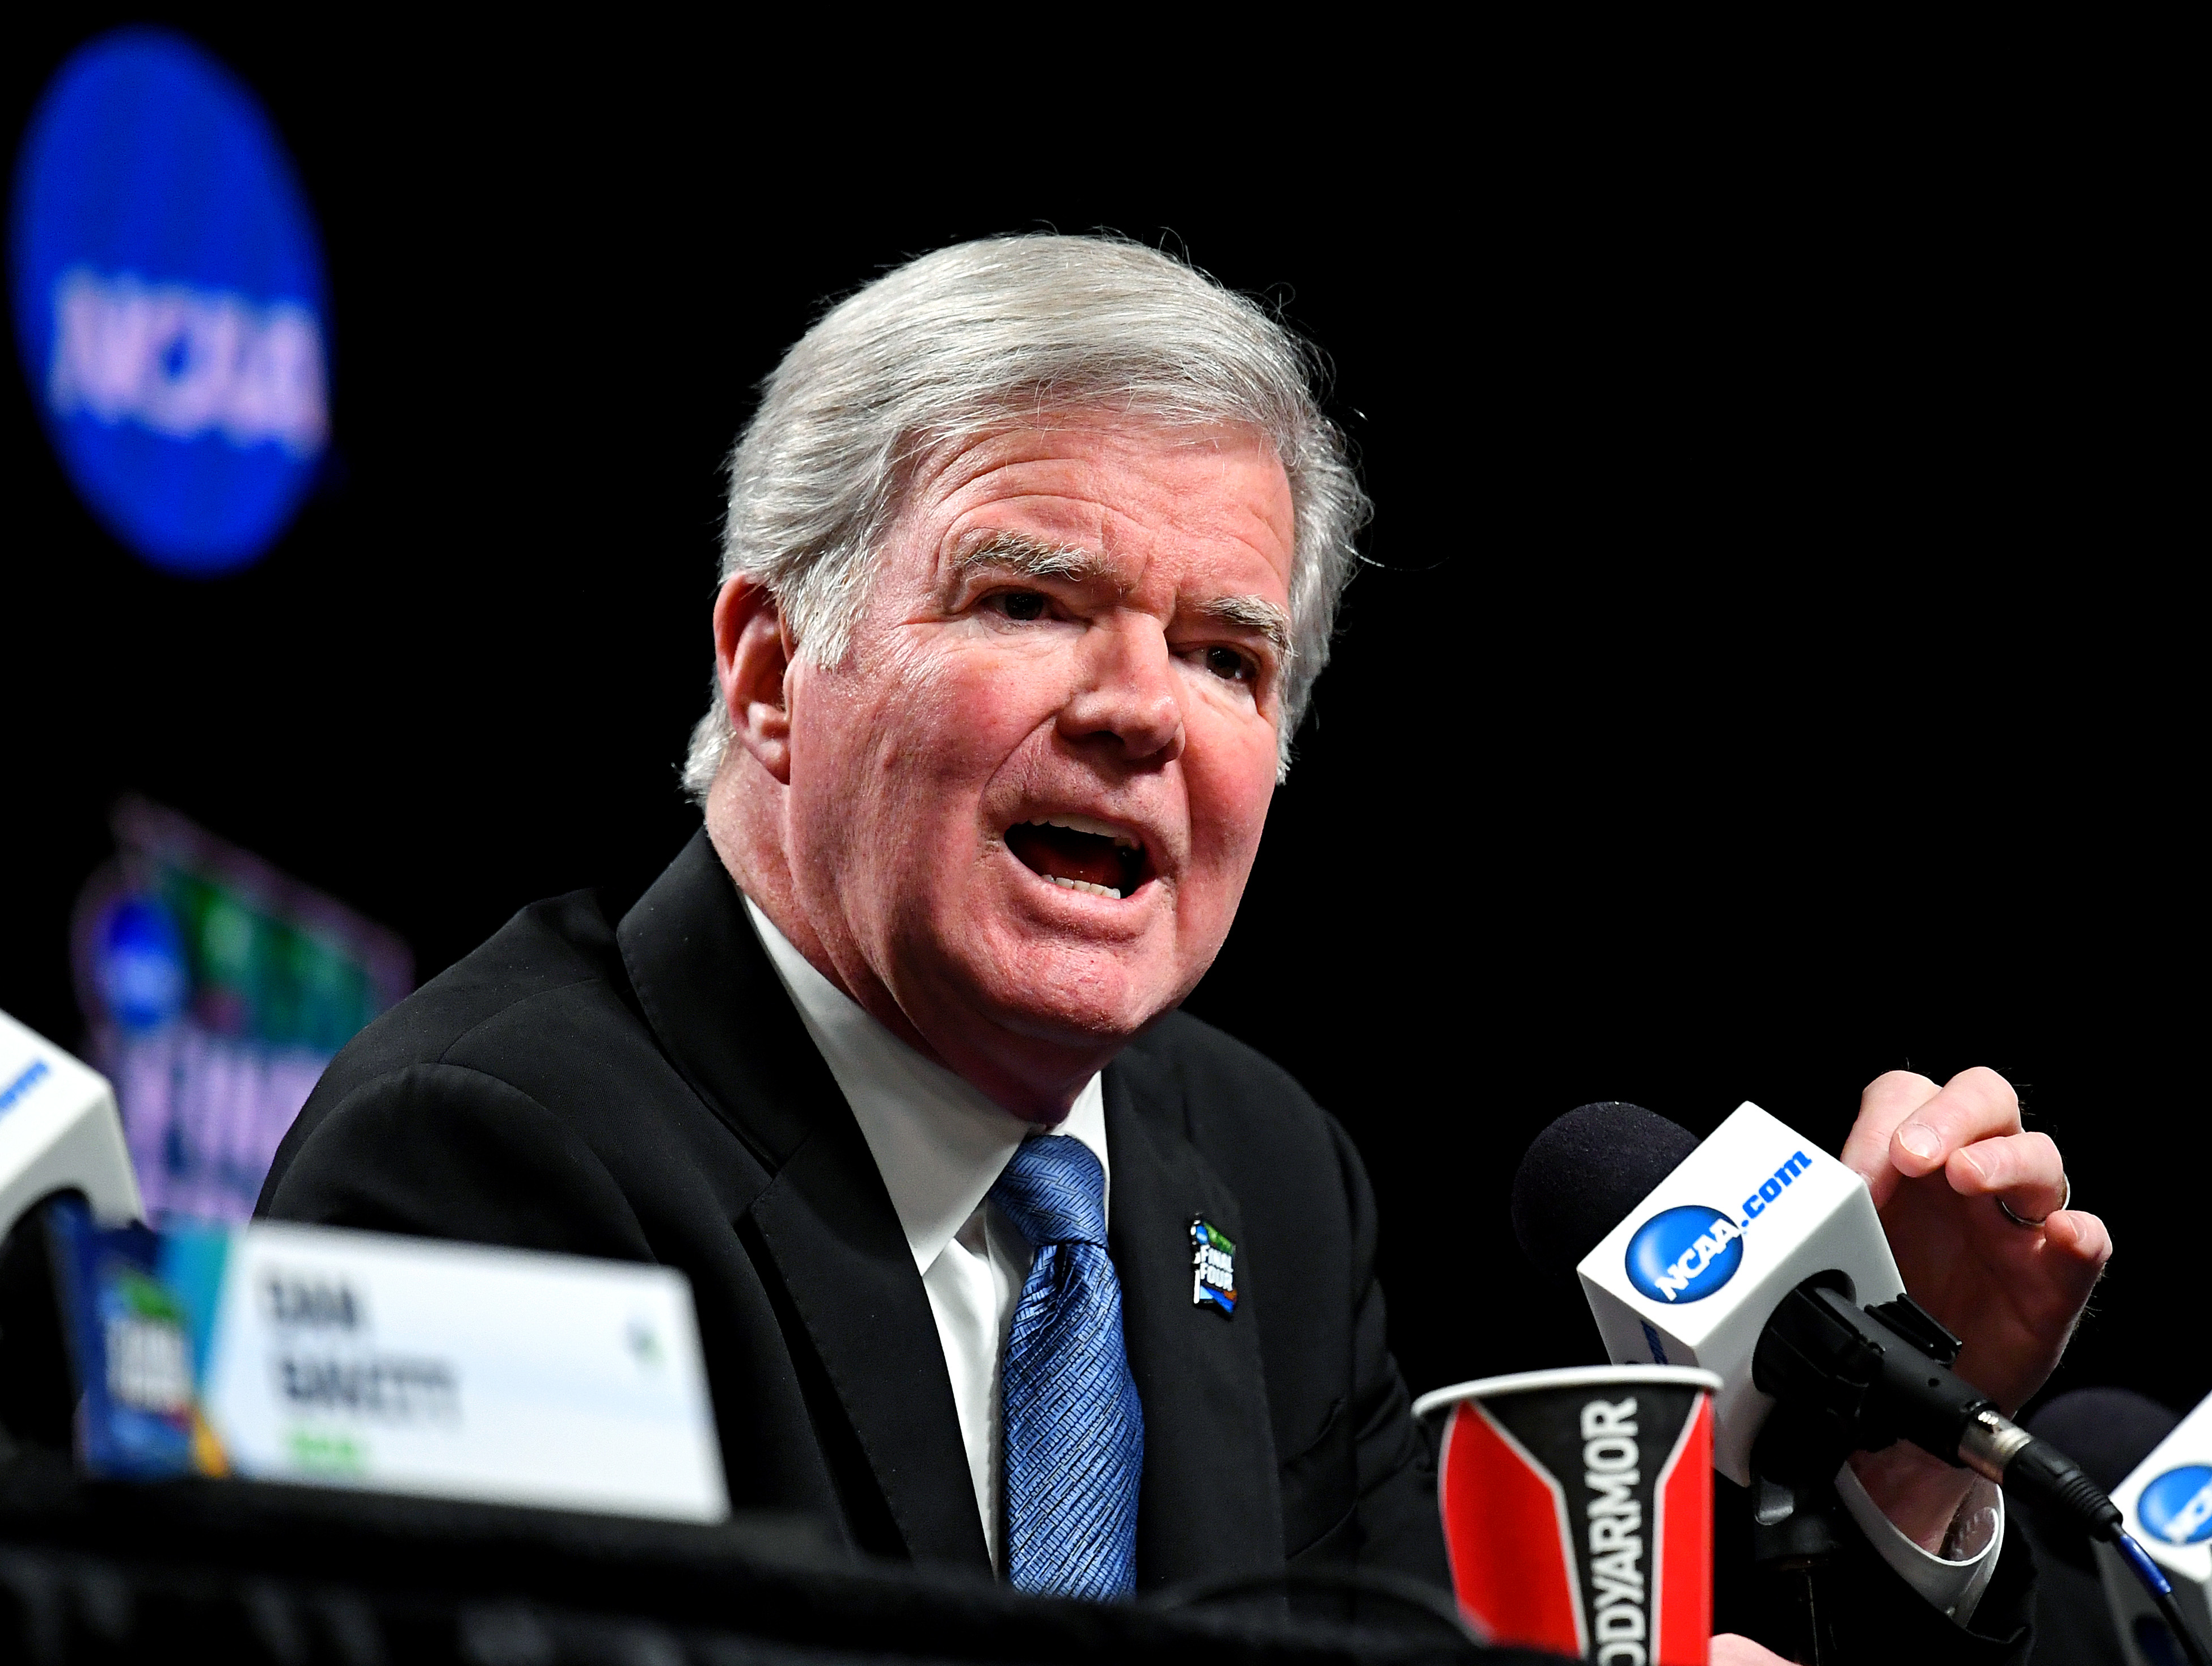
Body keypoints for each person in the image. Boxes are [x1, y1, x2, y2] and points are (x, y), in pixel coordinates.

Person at [259, 235, 2109, 1660]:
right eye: (1030, 600)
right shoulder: (487, 1155)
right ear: (766, 675)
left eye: (1228, 655)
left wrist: (1897, 1453)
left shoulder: (1268, 1179)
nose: (1144, 710)